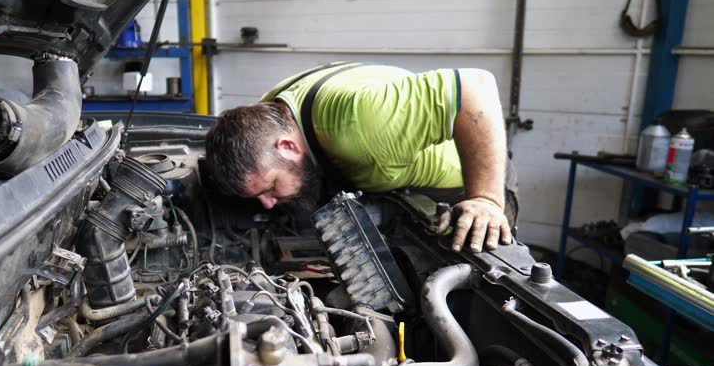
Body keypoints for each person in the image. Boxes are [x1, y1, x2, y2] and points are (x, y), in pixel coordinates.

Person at [205, 62, 518, 253]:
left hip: (464, 187)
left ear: (287, 146)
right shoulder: (272, 110)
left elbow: (476, 86)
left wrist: (487, 199)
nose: (268, 203)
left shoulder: (361, 121)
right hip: (392, 175)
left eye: (269, 188)